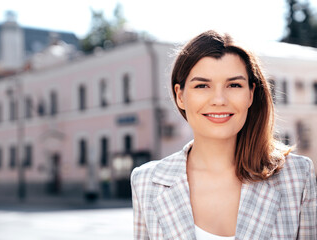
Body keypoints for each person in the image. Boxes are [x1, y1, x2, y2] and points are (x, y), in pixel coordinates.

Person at [130, 30, 317, 240]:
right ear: (180, 96)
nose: (219, 100)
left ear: (250, 94)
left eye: (234, 85)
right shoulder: (147, 182)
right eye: (202, 85)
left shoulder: (297, 176)